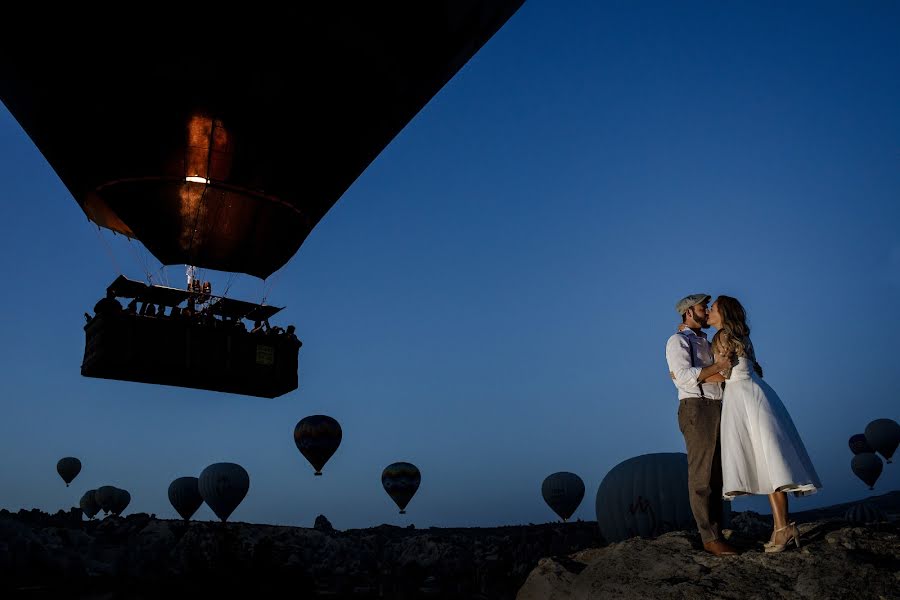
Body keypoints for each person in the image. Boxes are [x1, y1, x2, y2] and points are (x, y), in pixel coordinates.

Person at [708, 296, 821, 553]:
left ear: (723, 313)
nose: (710, 313)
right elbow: (754, 368)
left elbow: (723, 373)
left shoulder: (722, 336)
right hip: (757, 394)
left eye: (713, 309)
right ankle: (781, 527)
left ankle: (782, 528)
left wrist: (692, 377)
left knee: (767, 462)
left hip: (741, 397)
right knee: (770, 462)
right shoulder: (741, 336)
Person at [666, 294, 737, 556]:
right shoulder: (677, 341)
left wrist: (723, 372)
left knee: (717, 474)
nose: (706, 310)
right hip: (697, 408)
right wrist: (718, 369)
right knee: (702, 476)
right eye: (701, 307)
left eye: (707, 307)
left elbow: (719, 375)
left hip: (718, 407)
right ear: (688, 312)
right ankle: (709, 537)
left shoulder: (705, 340)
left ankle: (718, 532)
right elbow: (683, 378)